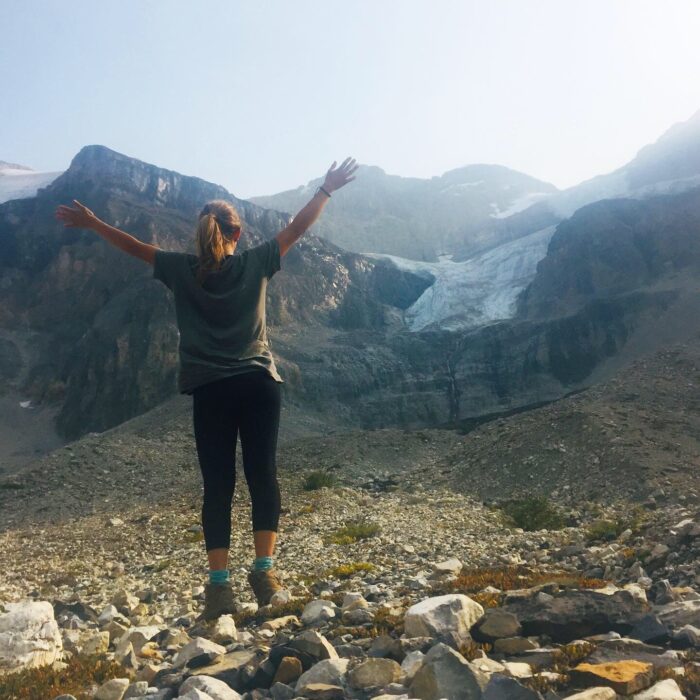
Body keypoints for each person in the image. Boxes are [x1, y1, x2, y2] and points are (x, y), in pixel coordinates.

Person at [55, 157, 358, 620]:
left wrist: (93, 222)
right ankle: (264, 572)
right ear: (236, 234)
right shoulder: (256, 263)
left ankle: (219, 590)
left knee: (218, 486)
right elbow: (297, 227)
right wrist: (326, 188)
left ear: (199, 233)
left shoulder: (179, 269)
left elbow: (135, 247)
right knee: (263, 477)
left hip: (210, 390)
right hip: (258, 383)